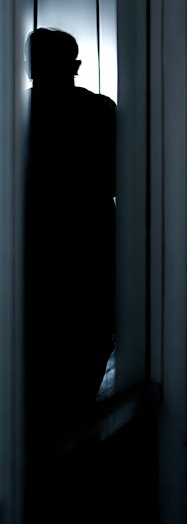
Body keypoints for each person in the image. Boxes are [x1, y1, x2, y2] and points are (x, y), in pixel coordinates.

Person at [24, 27, 117, 441]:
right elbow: (119, 180)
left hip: (35, 250)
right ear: (76, 66)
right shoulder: (99, 112)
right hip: (90, 247)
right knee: (89, 342)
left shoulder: (18, 115)